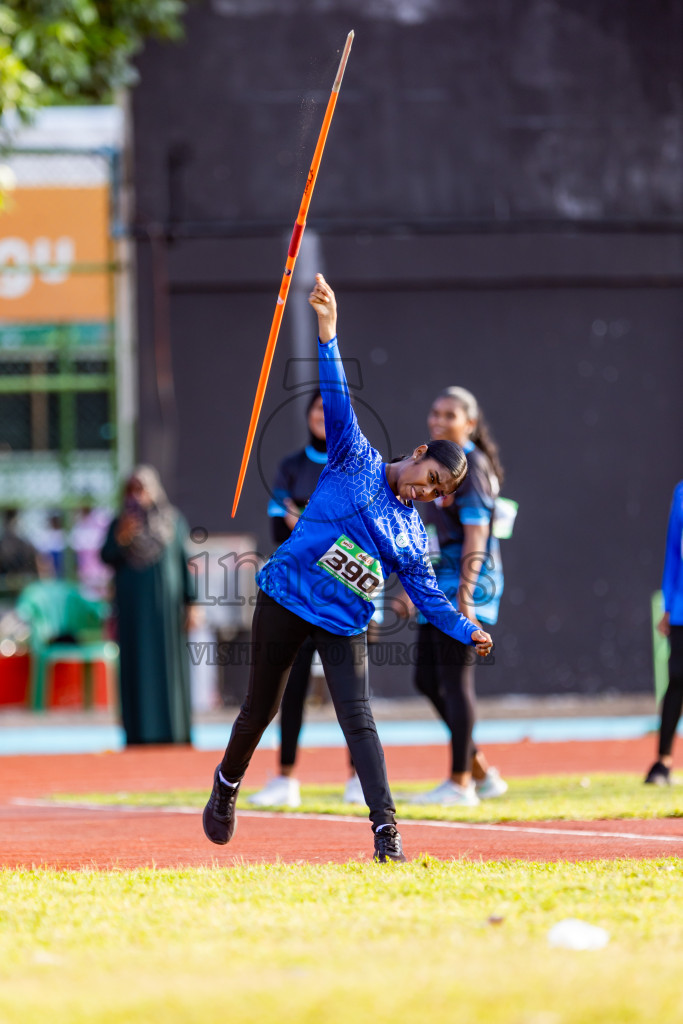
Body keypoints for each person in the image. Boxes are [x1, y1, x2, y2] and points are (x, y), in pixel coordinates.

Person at [203, 274, 493, 863]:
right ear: (416, 454)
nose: (427, 494)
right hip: (285, 598)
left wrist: (467, 628)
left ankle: (387, 834)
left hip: (343, 622)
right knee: (261, 708)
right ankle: (227, 785)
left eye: (439, 493)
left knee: (357, 720)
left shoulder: (411, 533)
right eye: (429, 479)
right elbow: (336, 392)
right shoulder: (351, 455)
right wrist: (329, 330)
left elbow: (431, 598)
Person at [248, 390, 364, 808]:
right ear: (308, 415)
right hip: (296, 597)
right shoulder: (290, 466)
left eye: (328, 409)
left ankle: (357, 777)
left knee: (350, 694)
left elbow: (358, 536)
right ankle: (285, 777)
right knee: (289, 688)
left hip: (344, 598)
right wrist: (323, 527)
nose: (321, 415)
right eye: (316, 408)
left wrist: (307, 519)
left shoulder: (355, 467)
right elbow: (280, 530)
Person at [410, 384, 507, 806]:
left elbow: (477, 534)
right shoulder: (438, 464)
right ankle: (480, 770)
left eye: (449, 415)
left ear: (469, 422)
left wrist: (466, 594)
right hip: (439, 583)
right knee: (426, 679)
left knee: (453, 679)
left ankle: (460, 782)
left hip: (466, 585)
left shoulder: (473, 466)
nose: (439, 420)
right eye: (435, 412)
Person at [101, 465, 195, 746]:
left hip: (167, 613)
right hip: (132, 612)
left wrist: (193, 603)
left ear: (154, 490)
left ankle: (174, 731)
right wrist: (121, 538)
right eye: (131, 490)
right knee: (136, 667)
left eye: (142, 489)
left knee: (169, 668)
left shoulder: (173, 521)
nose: (137, 496)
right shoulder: (119, 523)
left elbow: (182, 563)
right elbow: (106, 556)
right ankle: (139, 733)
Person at [645, 480, 683, 785]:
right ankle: (663, 763)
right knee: (678, 679)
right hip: (682, 607)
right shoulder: (681, 492)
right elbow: (673, 550)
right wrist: (669, 604)